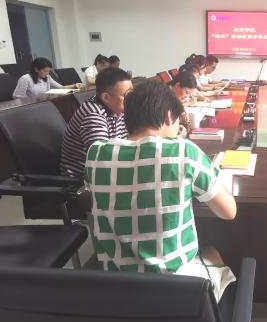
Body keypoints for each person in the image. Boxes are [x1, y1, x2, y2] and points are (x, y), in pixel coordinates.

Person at [84, 79, 237, 301]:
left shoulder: (96, 153)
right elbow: (229, 212)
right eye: (177, 121)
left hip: (116, 288)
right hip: (174, 291)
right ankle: (212, 315)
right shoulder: (184, 151)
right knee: (211, 252)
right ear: (167, 116)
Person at [60, 67, 132, 178]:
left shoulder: (117, 108)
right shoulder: (93, 115)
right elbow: (102, 158)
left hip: (106, 171)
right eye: (126, 95)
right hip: (83, 180)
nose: (131, 99)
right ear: (106, 97)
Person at [13, 57, 82, 99]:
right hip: (31, 105)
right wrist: (32, 101)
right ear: (36, 69)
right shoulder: (25, 79)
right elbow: (17, 96)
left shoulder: (47, 77)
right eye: (45, 71)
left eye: (49, 71)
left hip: (44, 103)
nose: (47, 73)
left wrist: (74, 85)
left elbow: (60, 88)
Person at [168, 70, 199, 135]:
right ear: (178, 85)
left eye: (189, 94)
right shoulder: (164, 96)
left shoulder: (174, 94)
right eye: (187, 92)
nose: (187, 96)